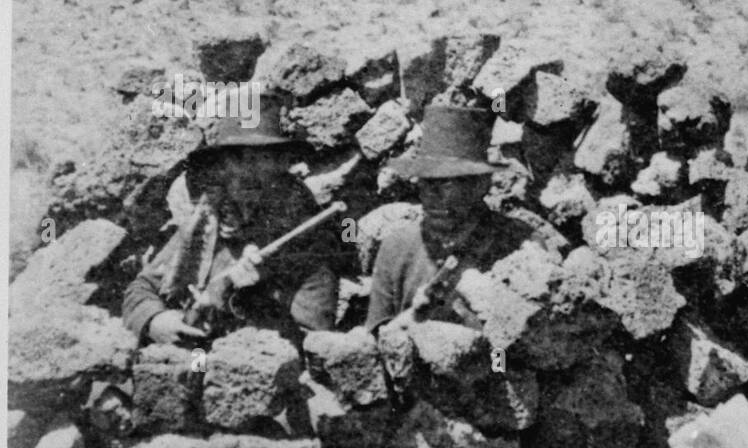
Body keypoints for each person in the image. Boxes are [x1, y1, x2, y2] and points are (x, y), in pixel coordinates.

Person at [122, 89, 343, 346]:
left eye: (263, 158)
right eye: (238, 158)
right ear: (223, 167)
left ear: (282, 166)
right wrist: (156, 321)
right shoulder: (207, 224)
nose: (249, 171)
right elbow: (141, 289)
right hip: (191, 360)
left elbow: (311, 349)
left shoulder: (308, 245)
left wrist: (247, 300)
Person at [365, 104, 554, 332]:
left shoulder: (522, 244)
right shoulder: (397, 247)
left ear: (481, 184)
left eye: (446, 182)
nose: (431, 194)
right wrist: (413, 319)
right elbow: (375, 345)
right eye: (425, 181)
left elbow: (541, 340)